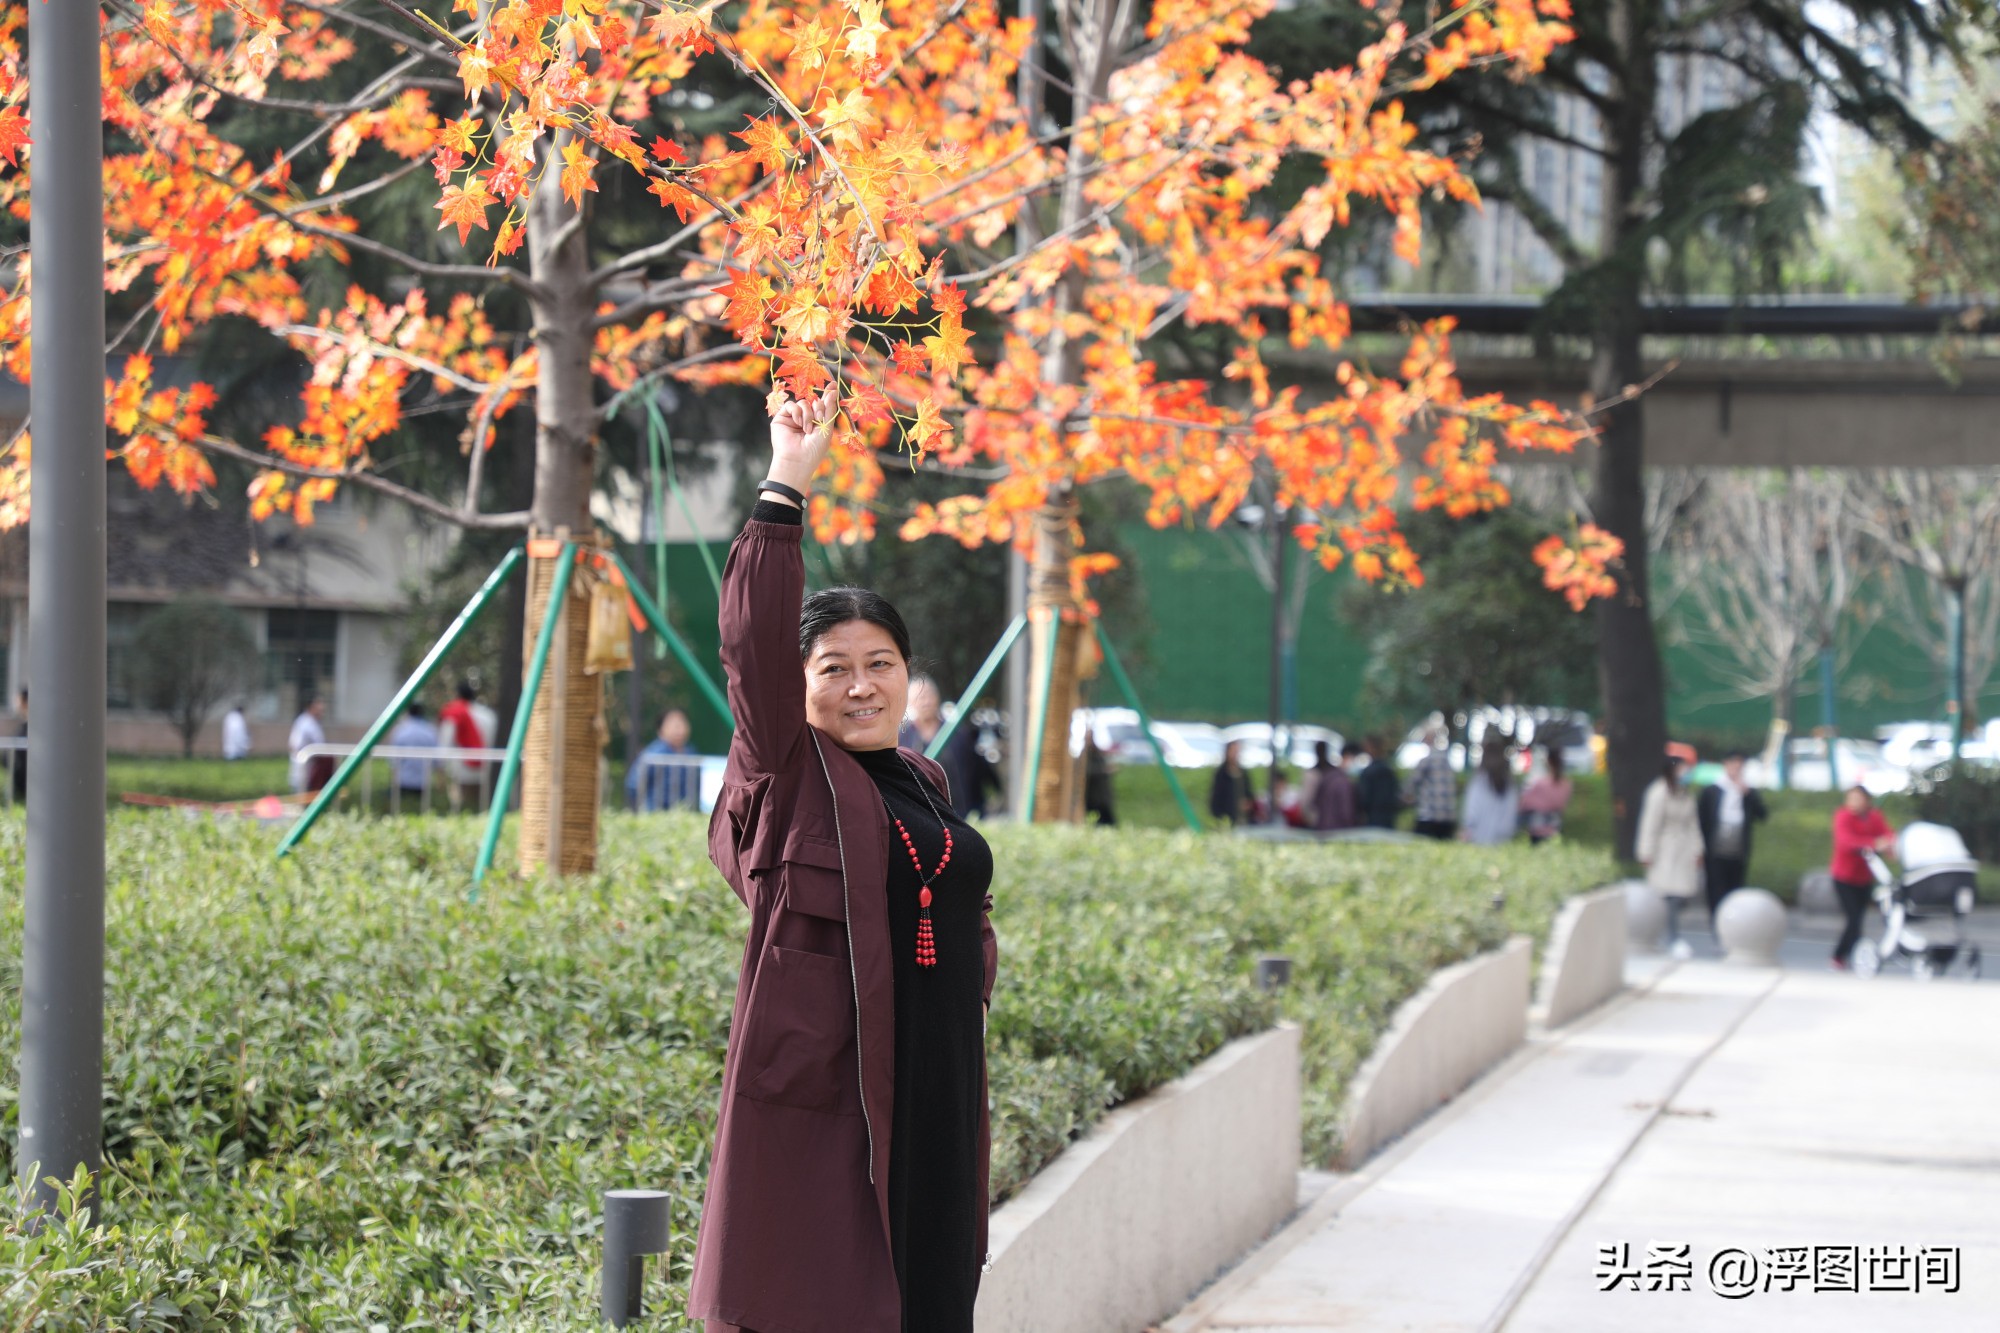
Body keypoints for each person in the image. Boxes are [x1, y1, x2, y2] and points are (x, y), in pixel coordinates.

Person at [690, 388, 999, 1333]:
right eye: (833, 665)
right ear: (802, 683)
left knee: (936, 1291)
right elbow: (749, 640)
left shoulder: (921, 776)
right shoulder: (787, 771)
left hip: (938, 1076)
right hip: (835, 1093)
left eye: (881, 663)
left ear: (910, 675)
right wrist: (789, 478)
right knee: (830, 1301)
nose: (861, 684)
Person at [1638, 754, 1704, 959]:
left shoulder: (1686, 794)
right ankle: (1670, 937)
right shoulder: (1658, 793)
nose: (1686, 773)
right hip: (1663, 851)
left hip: (1682, 850)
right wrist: (1646, 852)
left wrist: (1698, 849)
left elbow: (1693, 824)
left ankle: (1669, 936)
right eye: (1682, 769)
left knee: (1678, 896)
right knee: (1666, 896)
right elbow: (1650, 824)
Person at [899, 675, 987, 820]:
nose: (925, 701)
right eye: (920, 697)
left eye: (929, 695)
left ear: (937, 697)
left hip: (961, 813)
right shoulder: (903, 739)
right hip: (922, 816)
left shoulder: (958, 734)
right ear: (910, 702)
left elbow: (976, 772)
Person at [1829, 784, 1893, 971]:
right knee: (1854, 918)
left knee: (1859, 918)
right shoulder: (1843, 816)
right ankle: (1839, 956)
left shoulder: (1874, 816)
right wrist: (1873, 844)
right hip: (1844, 877)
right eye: (1851, 798)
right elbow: (1846, 842)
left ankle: (1853, 956)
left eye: (1858, 798)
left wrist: (1888, 844)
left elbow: (1887, 834)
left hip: (1864, 877)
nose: (1854, 803)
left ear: (1867, 801)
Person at [1697, 750, 1768, 916]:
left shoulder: (1748, 791)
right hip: (1715, 849)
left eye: (1740, 766)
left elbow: (1762, 814)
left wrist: (1748, 794)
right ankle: (1717, 922)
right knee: (1716, 889)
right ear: (1725, 765)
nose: (1736, 769)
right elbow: (1702, 819)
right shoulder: (1712, 791)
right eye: (1733, 765)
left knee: (1735, 889)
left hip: (1738, 850)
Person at [627, 707, 700, 811]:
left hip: (684, 814)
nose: (679, 729)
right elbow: (634, 784)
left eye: (682, 723)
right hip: (655, 813)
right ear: (660, 729)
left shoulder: (691, 753)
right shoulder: (652, 754)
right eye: (673, 725)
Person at [438, 681, 495, 811]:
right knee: (481, 805)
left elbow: (445, 743)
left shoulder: (455, 713)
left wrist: (440, 769)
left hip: (461, 768)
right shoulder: (488, 715)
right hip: (485, 766)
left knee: (459, 805)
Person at [1459, 743, 1519, 845]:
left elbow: (1471, 814)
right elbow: (1511, 817)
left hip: (1478, 840)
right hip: (1503, 843)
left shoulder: (1478, 782)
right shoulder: (1509, 784)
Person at [1518, 746, 1574, 845]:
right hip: (1555, 826)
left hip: (1538, 828)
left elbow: (1524, 804)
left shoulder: (1540, 783)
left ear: (1548, 761)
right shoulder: (1567, 784)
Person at [1410, 725, 1458, 839]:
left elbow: (1411, 784)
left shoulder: (1426, 761)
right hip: (1448, 816)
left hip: (1429, 816)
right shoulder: (1447, 761)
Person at [387, 701, 440, 803]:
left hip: (403, 783)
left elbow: (393, 761)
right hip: (423, 784)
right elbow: (438, 760)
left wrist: (393, 782)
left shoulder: (400, 730)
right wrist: (440, 783)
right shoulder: (430, 731)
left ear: (408, 713)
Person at [1353, 735, 1401, 830]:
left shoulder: (1369, 772)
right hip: (1388, 817)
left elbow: (1363, 797)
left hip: (1372, 817)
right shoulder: (1389, 770)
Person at [288, 694, 332, 794]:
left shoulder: (314, 723)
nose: (322, 710)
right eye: (319, 706)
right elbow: (294, 745)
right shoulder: (304, 723)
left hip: (313, 772)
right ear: (311, 707)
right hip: (304, 771)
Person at [1309, 741, 1357, 831]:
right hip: (1338, 830)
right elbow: (1346, 812)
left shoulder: (1328, 776)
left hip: (1323, 827)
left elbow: (1315, 803)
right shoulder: (1343, 782)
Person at [1209, 739, 1253, 826]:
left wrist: (1248, 803)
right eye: (1233, 751)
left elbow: (1249, 793)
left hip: (1243, 818)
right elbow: (1217, 796)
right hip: (1226, 817)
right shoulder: (1221, 773)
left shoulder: (1243, 772)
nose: (1235, 754)